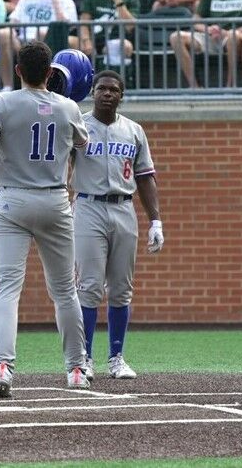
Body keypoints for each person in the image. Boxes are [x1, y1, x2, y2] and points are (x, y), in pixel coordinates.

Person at [0, 41, 91, 398]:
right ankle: (77, 368)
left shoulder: (1, 103)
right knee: (65, 290)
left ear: (18, 70)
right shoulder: (69, 108)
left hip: (11, 199)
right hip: (54, 200)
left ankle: (2, 366)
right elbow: (83, 145)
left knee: (5, 287)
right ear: (50, 73)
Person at [71, 70, 163, 381]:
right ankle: (83, 358)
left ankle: (117, 357)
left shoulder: (134, 130)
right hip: (87, 206)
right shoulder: (79, 125)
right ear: (92, 92)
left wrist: (155, 220)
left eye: (114, 90)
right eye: (102, 89)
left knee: (122, 290)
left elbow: (145, 176)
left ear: (121, 95)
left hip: (124, 208)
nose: (108, 94)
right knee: (89, 287)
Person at [0, 0, 78, 91]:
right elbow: (13, 22)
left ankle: (40, 85)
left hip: (49, 43)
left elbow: (66, 26)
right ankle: (7, 85)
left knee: (41, 33)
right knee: (4, 33)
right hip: (23, 43)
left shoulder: (66, 1)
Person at [76, 0, 140, 63]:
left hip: (117, 39)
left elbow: (130, 26)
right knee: (71, 43)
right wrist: (86, 41)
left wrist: (118, 0)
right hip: (93, 40)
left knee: (124, 46)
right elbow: (84, 22)